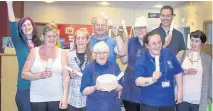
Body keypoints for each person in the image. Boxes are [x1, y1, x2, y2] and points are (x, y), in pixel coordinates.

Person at [22, 23, 69, 111]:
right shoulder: (34, 52)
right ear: (43, 37)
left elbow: (66, 77)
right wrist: (40, 75)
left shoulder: (62, 53)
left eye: (54, 36)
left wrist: (65, 96)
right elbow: (24, 74)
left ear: (57, 37)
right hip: (37, 98)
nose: (51, 38)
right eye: (49, 36)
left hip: (57, 97)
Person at [134, 30, 183, 111]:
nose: (157, 46)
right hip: (150, 104)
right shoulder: (142, 59)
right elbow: (138, 81)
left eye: (159, 42)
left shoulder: (168, 53)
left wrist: (180, 91)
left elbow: (178, 72)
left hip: (169, 103)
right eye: (153, 43)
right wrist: (152, 79)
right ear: (147, 45)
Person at [6, 1, 42, 111]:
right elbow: (12, 23)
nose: (26, 27)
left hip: (39, 87)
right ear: (20, 29)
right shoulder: (19, 43)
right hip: (24, 88)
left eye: (28, 24)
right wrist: (9, 3)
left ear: (33, 26)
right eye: (23, 25)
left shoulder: (39, 44)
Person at [80, 41, 123, 111]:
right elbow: (83, 91)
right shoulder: (89, 68)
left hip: (113, 106)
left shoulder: (114, 66)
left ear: (108, 54)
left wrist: (117, 87)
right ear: (94, 55)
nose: (102, 55)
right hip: (95, 107)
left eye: (104, 52)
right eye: (99, 53)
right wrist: (95, 87)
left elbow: (121, 86)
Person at [176, 30, 212, 111]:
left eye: (196, 41)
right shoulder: (181, 54)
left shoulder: (207, 59)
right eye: (192, 40)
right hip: (182, 98)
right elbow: (173, 72)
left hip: (199, 100)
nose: (193, 43)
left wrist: (210, 96)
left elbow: (210, 79)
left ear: (202, 43)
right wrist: (184, 72)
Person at [121, 16, 148, 111]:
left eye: (142, 27)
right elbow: (124, 60)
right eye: (137, 28)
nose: (140, 30)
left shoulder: (152, 42)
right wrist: (125, 42)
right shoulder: (130, 41)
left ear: (147, 28)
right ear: (134, 29)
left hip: (146, 89)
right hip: (130, 88)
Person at [67, 29, 90, 111]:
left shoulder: (92, 56)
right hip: (72, 97)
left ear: (87, 40)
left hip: (87, 98)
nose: (80, 40)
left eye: (83, 38)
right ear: (75, 40)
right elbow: (64, 75)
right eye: (78, 38)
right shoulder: (69, 55)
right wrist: (70, 75)